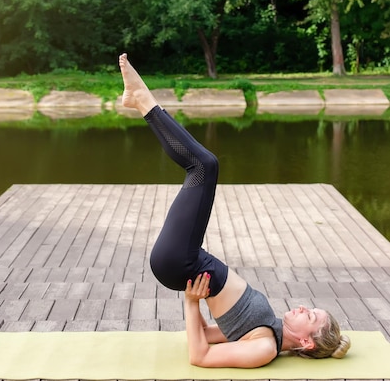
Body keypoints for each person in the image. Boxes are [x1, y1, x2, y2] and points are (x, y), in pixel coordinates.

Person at [118, 53, 351, 369]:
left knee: (204, 166)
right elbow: (204, 336)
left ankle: (142, 100)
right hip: (189, 260)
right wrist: (196, 306)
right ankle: (140, 101)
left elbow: (199, 356)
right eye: (308, 307)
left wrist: (191, 301)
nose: (300, 307)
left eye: (308, 315)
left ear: (307, 342)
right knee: (202, 166)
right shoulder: (267, 328)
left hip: (181, 262)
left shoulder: (266, 347)